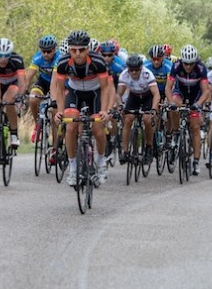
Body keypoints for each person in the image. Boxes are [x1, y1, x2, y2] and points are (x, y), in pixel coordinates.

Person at [52, 30, 111, 186]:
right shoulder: (63, 63)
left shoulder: (98, 62)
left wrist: (104, 110)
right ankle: (72, 169)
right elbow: (59, 89)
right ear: (69, 50)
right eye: (74, 50)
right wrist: (60, 111)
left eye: (82, 50)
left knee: (98, 129)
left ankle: (101, 162)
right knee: (71, 127)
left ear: (88, 49)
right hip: (75, 94)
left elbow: (105, 88)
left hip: (95, 94)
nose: (77, 54)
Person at [165, 44, 211, 176]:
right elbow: (168, 87)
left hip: (195, 96)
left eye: (191, 64)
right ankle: (175, 133)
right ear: (182, 61)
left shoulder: (201, 68)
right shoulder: (176, 66)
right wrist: (171, 102)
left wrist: (199, 104)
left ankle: (196, 161)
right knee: (174, 107)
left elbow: (206, 91)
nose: (188, 67)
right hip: (180, 92)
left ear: (195, 61)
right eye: (186, 63)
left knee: (195, 127)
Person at [117, 55, 160, 164]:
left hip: (147, 97)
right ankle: (125, 151)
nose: (134, 72)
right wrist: (120, 105)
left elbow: (156, 94)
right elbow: (118, 94)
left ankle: (149, 147)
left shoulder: (147, 74)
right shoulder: (124, 75)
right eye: (131, 70)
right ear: (128, 69)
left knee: (147, 119)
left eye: (137, 70)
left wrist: (154, 109)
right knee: (128, 119)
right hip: (134, 97)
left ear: (141, 68)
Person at [0, 38, 26, 148]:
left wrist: (20, 97)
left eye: (6, 55)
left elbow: (22, 82)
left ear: (10, 54)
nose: (3, 59)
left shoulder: (17, 60)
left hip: (13, 83)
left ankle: (14, 134)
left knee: (8, 100)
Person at [25, 35, 59, 143]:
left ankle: (55, 146)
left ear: (54, 49)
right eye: (43, 51)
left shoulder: (59, 57)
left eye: (49, 51)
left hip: (56, 83)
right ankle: (37, 126)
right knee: (32, 99)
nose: (46, 54)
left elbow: (55, 81)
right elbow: (28, 77)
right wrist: (24, 91)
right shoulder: (37, 58)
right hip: (43, 82)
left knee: (54, 112)